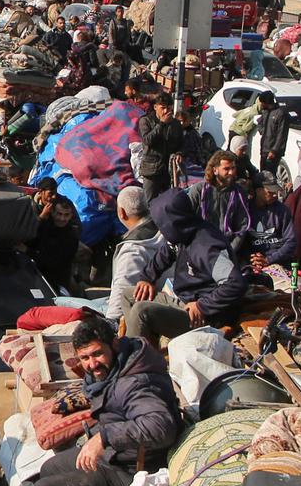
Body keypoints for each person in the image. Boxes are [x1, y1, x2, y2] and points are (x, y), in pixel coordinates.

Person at [31, 318, 183, 486]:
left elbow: (161, 426)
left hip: (135, 477)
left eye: (97, 354)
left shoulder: (136, 382)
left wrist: (104, 437)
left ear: (114, 343)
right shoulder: (115, 370)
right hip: (115, 457)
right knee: (50, 469)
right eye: (85, 358)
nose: (91, 364)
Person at [124, 187, 252, 343]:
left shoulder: (207, 247)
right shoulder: (180, 233)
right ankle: (146, 346)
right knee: (129, 295)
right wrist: (147, 278)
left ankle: (135, 360)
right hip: (183, 300)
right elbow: (166, 253)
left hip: (203, 316)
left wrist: (202, 306)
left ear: (171, 222)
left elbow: (235, 283)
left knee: (141, 311)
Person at [106, 186, 165, 321]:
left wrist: (110, 322)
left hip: (136, 313)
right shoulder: (164, 231)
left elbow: (121, 291)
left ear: (122, 213)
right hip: (161, 304)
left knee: (62, 301)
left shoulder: (132, 249)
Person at [31, 190, 82, 293]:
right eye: (59, 214)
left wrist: (27, 251)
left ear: (71, 215)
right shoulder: (43, 227)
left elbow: (51, 262)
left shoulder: (71, 236)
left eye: (66, 215)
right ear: (52, 213)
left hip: (56, 283)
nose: (62, 218)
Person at [137, 94, 182, 203]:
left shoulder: (175, 124)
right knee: (150, 203)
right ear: (155, 107)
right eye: (163, 108)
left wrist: (180, 153)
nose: (166, 111)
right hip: (151, 169)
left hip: (168, 170)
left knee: (167, 202)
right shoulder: (146, 121)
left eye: (168, 108)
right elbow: (147, 140)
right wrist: (161, 124)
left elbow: (181, 143)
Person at [255, 91, 291, 180]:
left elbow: (281, 134)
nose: (260, 104)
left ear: (266, 102)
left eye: (262, 102)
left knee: (270, 176)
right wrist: (262, 130)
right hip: (264, 149)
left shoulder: (280, 114)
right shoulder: (265, 112)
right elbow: (259, 122)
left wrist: (274, 150)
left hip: (272, 151)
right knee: (263, 174)